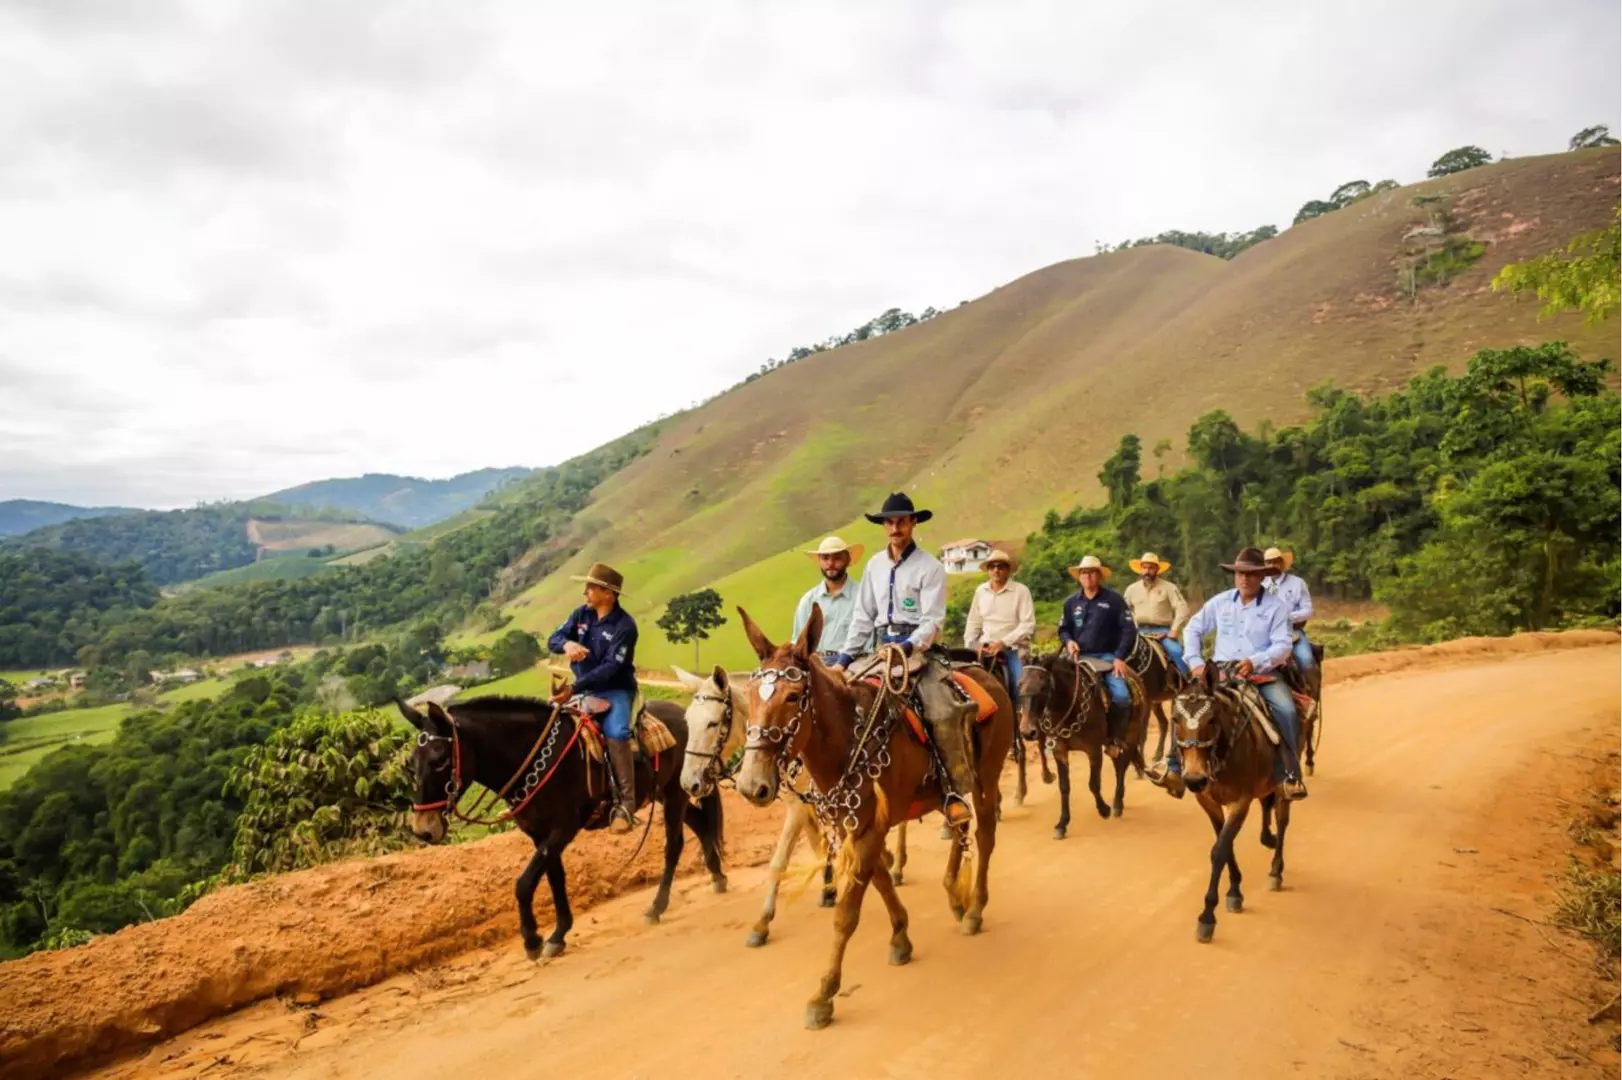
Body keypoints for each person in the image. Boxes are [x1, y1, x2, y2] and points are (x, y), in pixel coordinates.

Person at [827, 493, 978, 830]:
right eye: (889, 522)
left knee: (941, 710)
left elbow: (933, 620)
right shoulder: (874, 567)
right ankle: (844, 786)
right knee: (841, 700)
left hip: (918, 650)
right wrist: (844, 659)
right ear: (884, 526)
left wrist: (908, 644)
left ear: (913, 523)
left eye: (901, 521)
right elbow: (863, 617)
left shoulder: (930, 567)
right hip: (878, 652)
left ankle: (952, 792)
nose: (895, 527)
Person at [1157, 546, 1308, 801]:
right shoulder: (1221, 602)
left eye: (1250, 574)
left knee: (1286, 709)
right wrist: (1195, 661)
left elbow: (1282, 645)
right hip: (1219, 672)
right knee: (1187, 706)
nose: (1244, 579)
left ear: (1262, 576)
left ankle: (1289, 775)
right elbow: (1192, 628)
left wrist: (1256, 661)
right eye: (1239, 573)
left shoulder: (1277, 607)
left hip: (1261, 673)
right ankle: (1173, 767)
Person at [547, 562, 642, 833]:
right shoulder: (580, 615)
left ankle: (626, 804)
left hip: (615, 689)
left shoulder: (626, 627)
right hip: (581, 689)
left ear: (608, 594)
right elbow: (553, 638)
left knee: (617, 732)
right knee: (549, 724)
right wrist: (567, 644)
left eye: (592, 587)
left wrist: (575, 689)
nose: (586, 592)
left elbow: (612, 668)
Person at [1057, 555, 1137, 751]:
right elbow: (1063, 629)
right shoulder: (1070, 603)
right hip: (1077, 657)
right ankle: (1055, 735)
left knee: (1121, 696)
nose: (1088, 576)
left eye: (1092, 572)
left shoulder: (1114, 600)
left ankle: (1115, 737)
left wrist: (1119, 657)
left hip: (1106, 657)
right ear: (1079, 577)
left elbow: (1129, 630)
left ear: (1099, 576)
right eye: (1084, 572)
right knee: (1053, 688)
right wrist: (1068, 641)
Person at [963, 549, 1036, 700]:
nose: (996, 570)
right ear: (988, 570)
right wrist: (971, 645)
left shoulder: (1021, 591)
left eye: (1001, 566)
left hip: (1012, 649)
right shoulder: (980, 591)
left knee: (1020, 687)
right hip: (985, 648)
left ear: (1008, 570)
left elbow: (1027, 624)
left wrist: (1003, 642)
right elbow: (973, 622)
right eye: (992, 566)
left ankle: (1020, 715)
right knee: (961, 683)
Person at [792, 536, 867, 664]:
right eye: (825, 558)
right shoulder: (808, 600)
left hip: (854, 664)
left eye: (837, 558)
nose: (830, 564)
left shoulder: (863, 597)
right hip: (816, 665)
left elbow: (868, 643)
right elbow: (797, 643)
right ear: (819, 561)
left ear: (848, 560)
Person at [1122, 551, 1191, 677]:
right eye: (1144, 567)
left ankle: (1186, 684)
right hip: (1139, 631)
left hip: (1162, 631)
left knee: (1177, 652)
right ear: (1140, 569)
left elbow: (1183, 609)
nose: (1147, 571)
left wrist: (1174, 630)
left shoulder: (1169, 587)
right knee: (1118, 654)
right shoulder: (1131, 589)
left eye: (1151, 568)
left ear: (1157, 569)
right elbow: (1123, 611)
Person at [1262, 547, 1316, 683]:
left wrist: (1288, 617)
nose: (1272, 565)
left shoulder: (1297, 583)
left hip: (1292, 632)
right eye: (1269, 562)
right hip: (1266, 634)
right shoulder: (1260, 586)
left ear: (1282, 563)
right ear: (1265, 565)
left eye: (1275, 562)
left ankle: (1312, 696)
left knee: (1306, 661)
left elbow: (1309, 610)